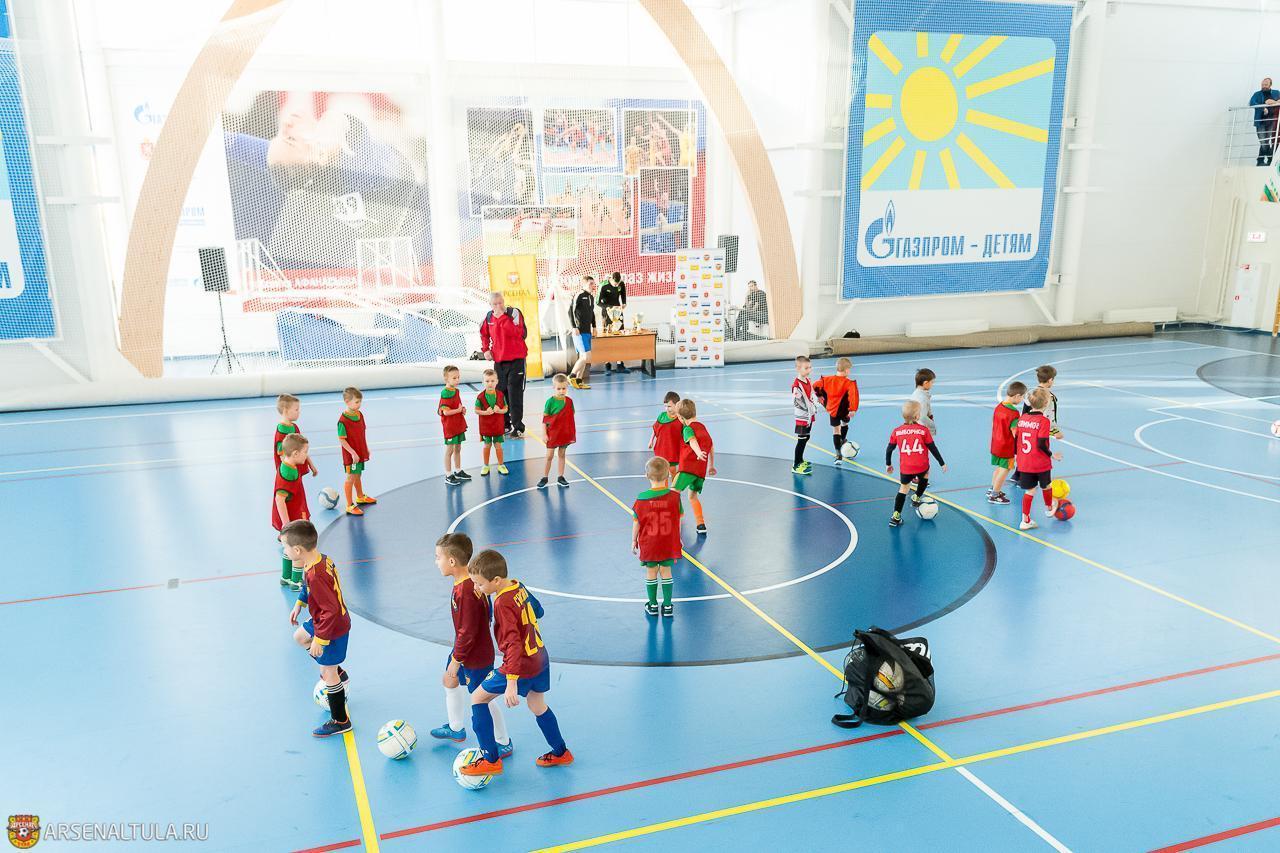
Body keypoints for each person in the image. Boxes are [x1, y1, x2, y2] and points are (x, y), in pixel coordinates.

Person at [459, 550, 573, 778]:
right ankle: (561, 752)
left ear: (496, 580)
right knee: (537, 705)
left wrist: (511, 682)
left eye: (480, 584)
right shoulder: (517, 585)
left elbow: (513, 644)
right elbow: (539, 610)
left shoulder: (502, 603)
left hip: (520, 665)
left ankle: (490, 760)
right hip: (540, 657)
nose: (477, 588)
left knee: (477, 698)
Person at [429, 532, 513, 756]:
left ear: (452, 561)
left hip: (474, 655)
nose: (436, 562)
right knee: (449, 679)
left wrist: (457, 660)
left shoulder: (467, 590)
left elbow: (468, 632)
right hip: (465, 648)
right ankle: (456, 728)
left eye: (438, 557)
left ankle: (503, 741)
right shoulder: (469, 583)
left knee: (483, 697)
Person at [284, 519, 353, 737]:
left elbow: (330, 610)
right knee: (300, 637)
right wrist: (300, 602)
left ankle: (341, 721)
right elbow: (308, 587)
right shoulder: (317, 560)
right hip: (322, 620)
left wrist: (320, 640)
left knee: (326, 672)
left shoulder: (317, 574)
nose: (284, 551)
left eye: (286, 546)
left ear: (297, 550)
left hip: (332, 627)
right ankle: (338, 672)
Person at [633, 456, 684, 618]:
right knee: (666, 572)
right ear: (668, 474)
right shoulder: (675, 497)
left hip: (649, 543)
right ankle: (667, 606)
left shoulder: (641, 499)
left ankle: (653, 604)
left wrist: (633, 540)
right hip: (668, 542)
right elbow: (678, 519)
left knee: (651, 572)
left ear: (647, 475)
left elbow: (637, 522)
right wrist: (678, 538)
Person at [885, 400, 947, 529]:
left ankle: (895, 516)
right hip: (921, 466)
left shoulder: (897, 431)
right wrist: (942, 463)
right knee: (925, 475)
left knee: (903, 489)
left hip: (906, 468)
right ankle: (917, 497)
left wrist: (888, 464)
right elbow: (932, 448)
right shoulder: (923, 431)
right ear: (917, 416)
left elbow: (889, 449)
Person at [479, 291, 529, 438]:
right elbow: (484, 334)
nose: (498, 306)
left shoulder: (513, 313)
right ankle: (505, 424)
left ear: (504, 301)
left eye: (500, 303)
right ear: (490, 305)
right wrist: (486, 349)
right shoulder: (488, 317)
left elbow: (518, 333)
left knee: (514, 393)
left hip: (516, 359)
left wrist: (502, 318)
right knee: (500, 392)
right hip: (499, 361)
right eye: (495, 304)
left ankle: (518, 427)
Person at [1014, 387, 1063, 530]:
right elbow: (1041, 443)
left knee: (1029, 491)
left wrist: (1017, 456)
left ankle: (1025, 520)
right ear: (1046, 403)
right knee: (1046, 485)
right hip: (1040, 462)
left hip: (1024, 462)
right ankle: (1049, 508)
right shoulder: (1043, 421)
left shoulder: (1022, 419)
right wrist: (1052, 455)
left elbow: (1017, 439)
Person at [273, 433, 312, 589]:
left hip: (295, 514)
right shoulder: (287, 474)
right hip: (293, 519)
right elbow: (279, 499)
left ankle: (286, 576)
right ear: (295, 454)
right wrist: (287, 524)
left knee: (289, 547)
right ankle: (296, 581)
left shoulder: (289, 465)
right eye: (305, 452)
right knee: (299, 549)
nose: (306, 455)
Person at [674, 398, 714, 535]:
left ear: (680, 417)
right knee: (692, 497)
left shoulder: (688, 429)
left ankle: (675, 519)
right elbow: (711, 446)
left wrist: (698, 452)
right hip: (700, 472)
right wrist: (711, 465)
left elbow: (692, 441)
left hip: (687, 468)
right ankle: (701, 524)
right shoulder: (702, 427)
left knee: (673, 492)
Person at [337, 387, 377, 516]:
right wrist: (353, 453)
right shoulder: (343, 421)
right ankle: (349, 505)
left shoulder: (359, 415)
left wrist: (365, 448)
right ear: (347, 402)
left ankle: (360, 496)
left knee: (358, 474)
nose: (359, 404)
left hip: (360, 452)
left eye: (360, 402)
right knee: (351, 477)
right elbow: (342, 440)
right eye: (356, 402)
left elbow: (361, 433)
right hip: (352, 457)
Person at [814, 357, 860, 464]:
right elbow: (853, 397)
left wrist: (819, 395)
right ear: (847, 370)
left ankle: (838, 455)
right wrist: (853, 409)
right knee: (844, 423)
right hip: (844, 410)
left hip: (832, 410)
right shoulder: (849, 383)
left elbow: (815, 385)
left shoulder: (826, 380)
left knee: (836, 430)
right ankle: (842, 440)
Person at [988, 381, 1027, 505]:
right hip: (1006, 447)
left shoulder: (999, 406)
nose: (1022, 400)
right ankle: (994, 495)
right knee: (1005, 469)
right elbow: (1015, 432)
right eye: (1022, 397)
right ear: (1017, 396)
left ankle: (992, 489)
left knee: (999, 468)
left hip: (996, 444)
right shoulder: (1014, 413)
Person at [539, 373, 576, 489]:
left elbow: (571, 415)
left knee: (562, 454)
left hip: (564, 433)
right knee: (549, 456)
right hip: (553, 434)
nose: (561, 391)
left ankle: (560, 477)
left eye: (564, 388)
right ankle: (544, 477)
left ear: (567, 387)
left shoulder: (569, 401)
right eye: (558, 389)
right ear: (553, 388)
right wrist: (544, 434)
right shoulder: (550, 402)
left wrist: (569, 431)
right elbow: (545, 420)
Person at [475, 369, 509, 477]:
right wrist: (485, 412)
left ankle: (501, 465)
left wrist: (499, 410)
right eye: (487, 381)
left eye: (492, 381)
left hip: (498, 426)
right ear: (483, 382)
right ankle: (485, 465)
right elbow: (476, 410)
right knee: (487, 445)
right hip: (486, 427)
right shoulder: (480, 397)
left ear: (497, 381)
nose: (490, 383)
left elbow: (506, 409)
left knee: (498, 445)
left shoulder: (500, 395)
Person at [274, 394, 318, 475]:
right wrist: (291, 473)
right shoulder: (281, 432)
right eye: (296, 409)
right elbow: (282, 456)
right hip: (291, 473)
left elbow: (302, 447)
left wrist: (311, 465)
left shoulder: (294, 427)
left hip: (297, 468)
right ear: (286, 411)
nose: (299, 412)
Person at [439, 365, 469, 486]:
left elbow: (457, 405)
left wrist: (462, 409)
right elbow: (446, 412)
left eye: (458, 377)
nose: (457, 380)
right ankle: (448, 475)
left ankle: (458, 470)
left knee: (458, 448)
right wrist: (458, 410)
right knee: (449, 450)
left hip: (458, 423)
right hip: (450, 426)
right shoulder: (445, 393)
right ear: (446, 379)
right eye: (454, 378)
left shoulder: (456, 391)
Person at [792, 355, 820, 475]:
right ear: (798, 368)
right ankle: (796, 464)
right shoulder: (797, 385)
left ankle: (801, 460)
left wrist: (816, 402)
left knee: (806, 437)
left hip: (809, 416)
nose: (809, 370)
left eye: (810, 367)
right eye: (806, 368)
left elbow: (811, 395)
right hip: (802, 417)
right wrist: (809, 408)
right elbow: (797, 402)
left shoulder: (808, 380)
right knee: (801, 440)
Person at [597, 272, 630, 373]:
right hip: (607, 313)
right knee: (607, 338)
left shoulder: (621, 284)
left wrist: (624, 303)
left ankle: (620, 364)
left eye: (618, 284)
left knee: (620, 336)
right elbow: (598, 302)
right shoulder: (603, 285)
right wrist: (609, 307)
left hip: (618, 311)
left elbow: (623, 294)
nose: (616, 285)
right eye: (615, 284)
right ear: (611, 279)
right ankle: (607, 365)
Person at [568, 276, 596, 389]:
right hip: (579, 331)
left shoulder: (591, 297)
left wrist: (594, 326)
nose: (593, 285)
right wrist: (574, 327)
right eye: (590, 283)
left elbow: (592, 313)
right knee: (586, 357)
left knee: (584, 358)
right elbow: (570, 311)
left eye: (593, 283)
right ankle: (571, 376)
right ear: (584, 284)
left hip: (587, 331)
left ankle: (579, 382)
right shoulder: (579, 295)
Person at [1023, 365, 1062, 438]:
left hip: (1029, 428)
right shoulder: (1048, 397)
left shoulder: (1030, 393)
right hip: (1042, 431)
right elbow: (1049, 417)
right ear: (1050, 380)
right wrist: (1055, 431)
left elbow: (1024, 412)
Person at [649, 391, 684, 470]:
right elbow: (655, 429)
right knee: (662, 469)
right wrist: (651, 441)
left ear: (677, 405)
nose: (667, 409)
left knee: (672, 469)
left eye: (669, 406)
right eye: (665, 406)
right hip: (661, 448)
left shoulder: (681, 419)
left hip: (672, 450)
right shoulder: (662, 416)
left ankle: (674, 479)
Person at [1249, 78, 1280, 166]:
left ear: (1270, 85)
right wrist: (1263, 108)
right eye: (1262, 84)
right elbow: (1252, 102)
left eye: (1266, 84)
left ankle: (1260, 161)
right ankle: (1270, 158)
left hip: (1271, 121)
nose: (1264, 86)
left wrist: (1273, 102)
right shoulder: (1257, 94)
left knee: (1267, 141)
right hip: (1260, 122)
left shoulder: (1276, 93)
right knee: (1263, 142)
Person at [910, 368, 938, 435]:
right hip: (921, 431)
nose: (932, 385)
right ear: (925, 383)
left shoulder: (916, 394)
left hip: (916, 430)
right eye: (932, 382)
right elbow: (922, 417)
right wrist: (932, 426)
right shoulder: (921, 398)